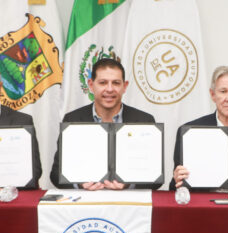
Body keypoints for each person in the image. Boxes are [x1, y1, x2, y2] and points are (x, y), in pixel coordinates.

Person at [50, 58, 154, 190]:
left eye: (116, 83)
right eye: (103, 82)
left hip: (130, 204)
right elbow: (56, 174)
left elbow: (155, 179)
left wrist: (129, 184)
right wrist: (79, 184)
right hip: (86, 202)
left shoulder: (144, 120)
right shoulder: (72, 120)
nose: (109, 89)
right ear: (91, 85)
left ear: (125, 86)